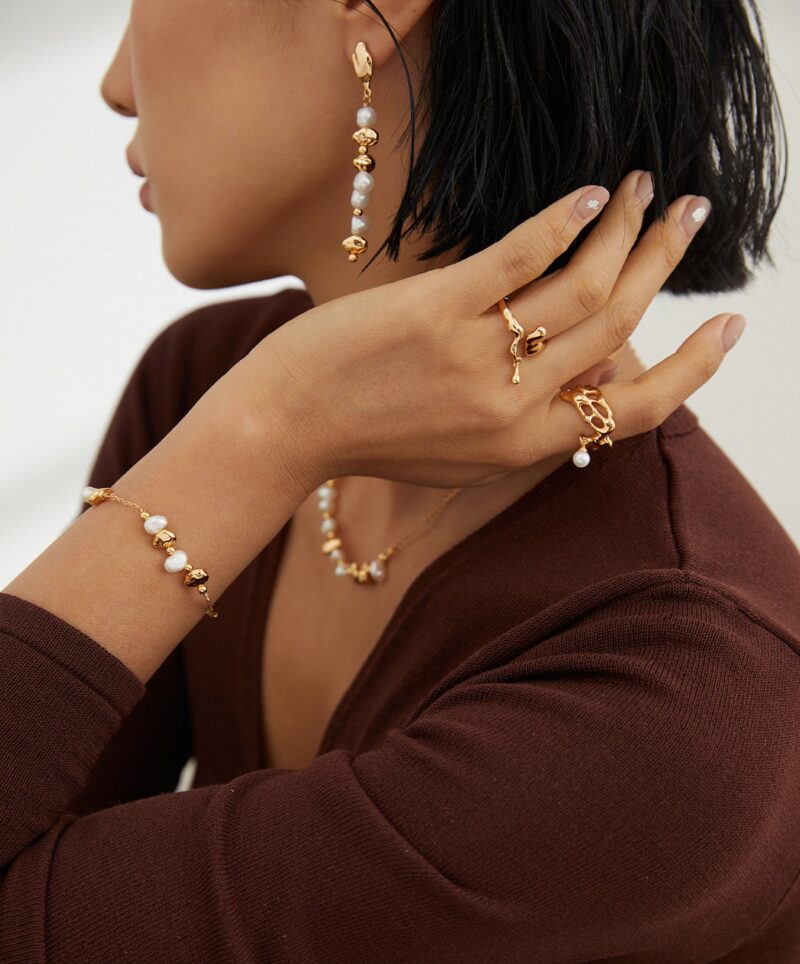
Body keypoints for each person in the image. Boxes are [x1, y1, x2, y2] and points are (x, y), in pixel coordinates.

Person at [0, 1, 797, 960]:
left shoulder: (680, 699)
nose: (115, 82)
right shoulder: (209, 387)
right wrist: (265, 430)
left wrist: (268, 430)